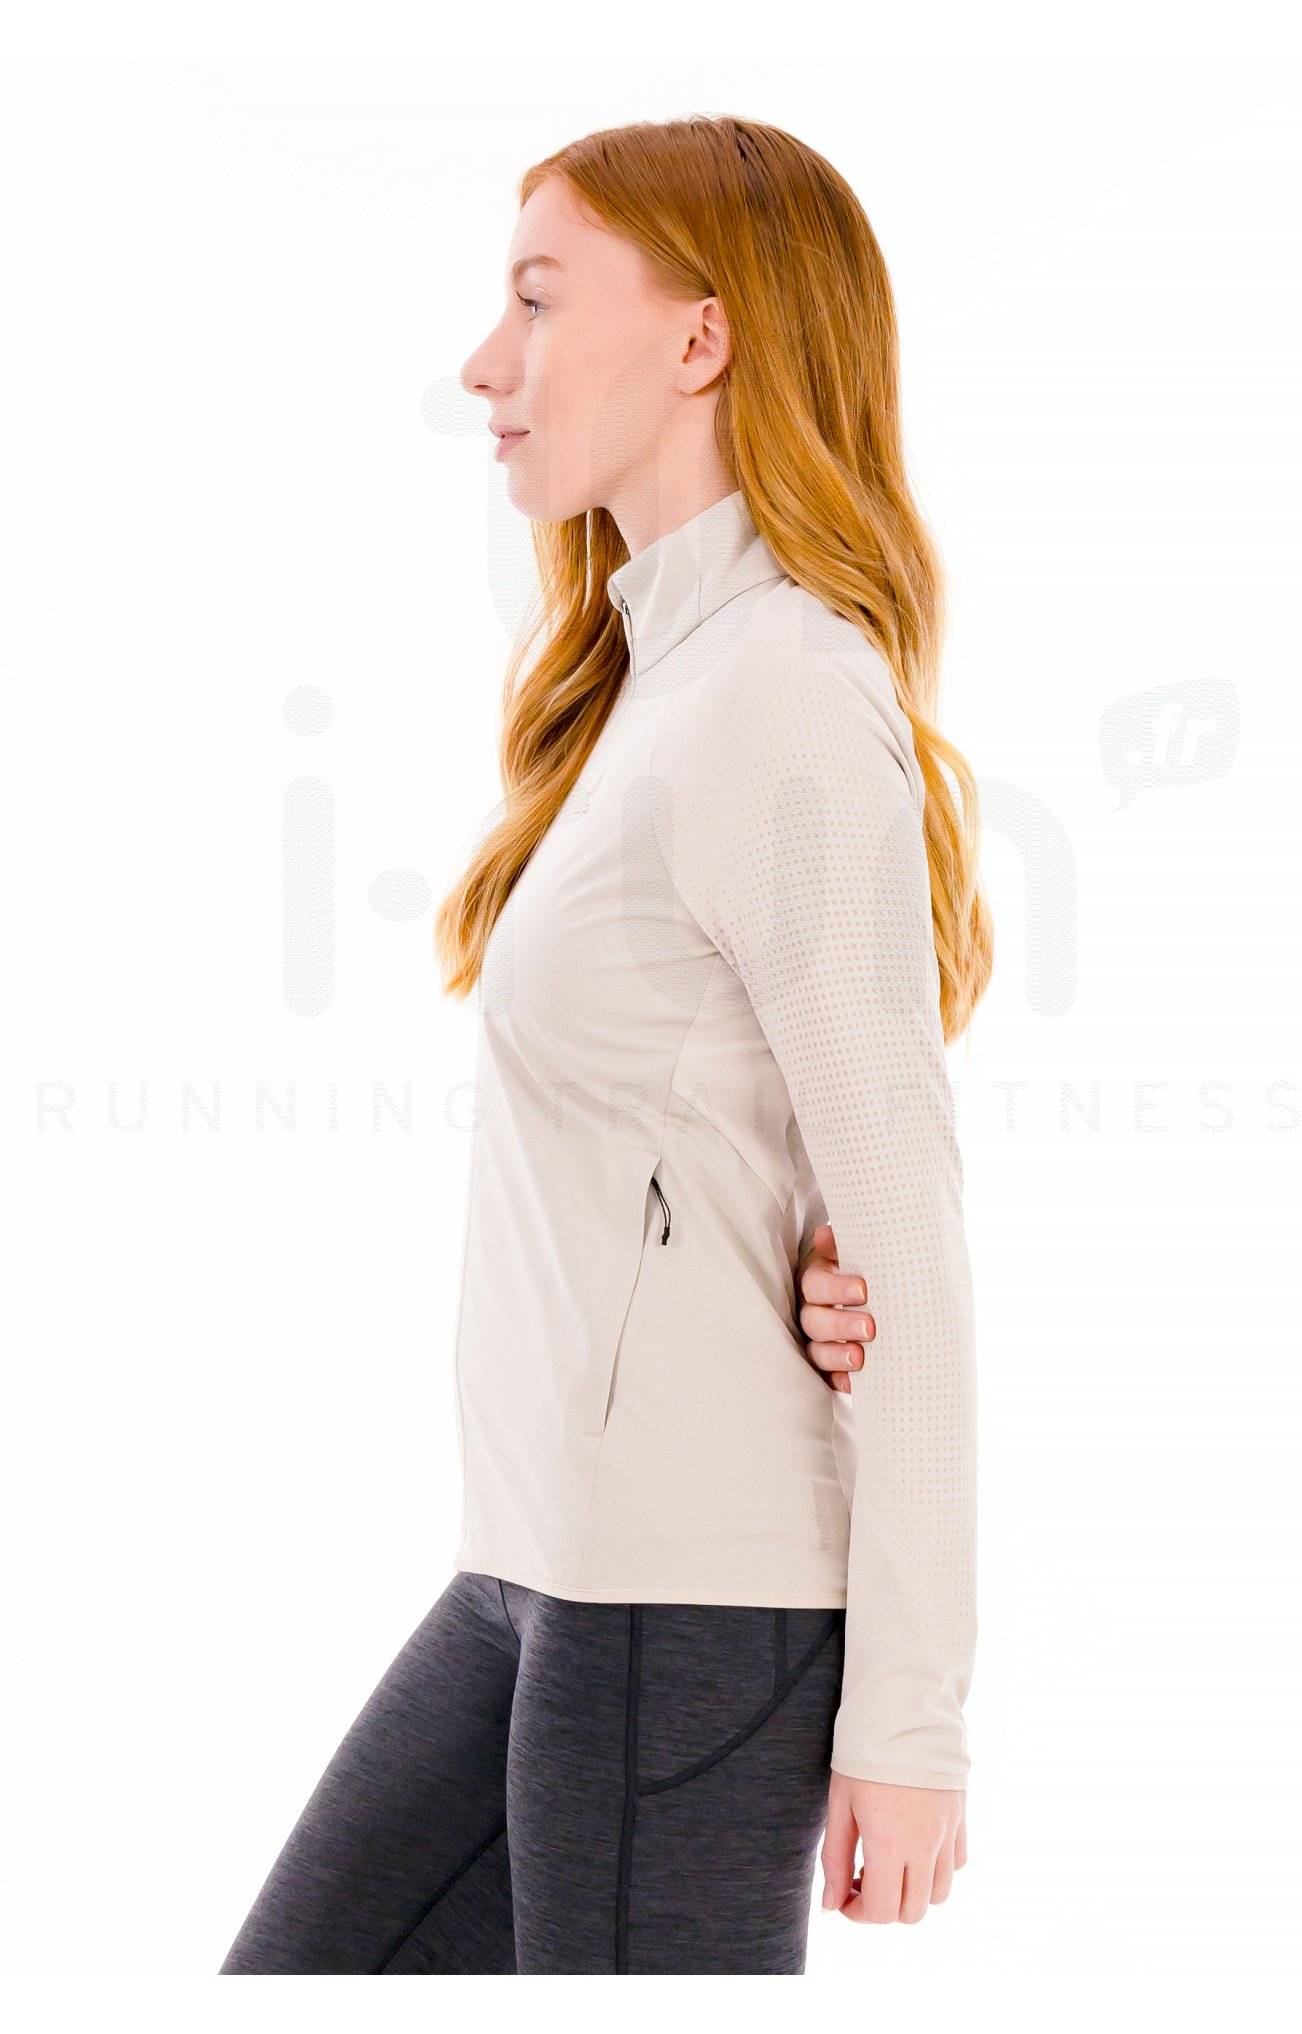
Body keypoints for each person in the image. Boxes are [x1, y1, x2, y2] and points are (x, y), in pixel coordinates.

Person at [219, 113, 992, 1977]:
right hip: (538, 1572)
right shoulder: (671, 678)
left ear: (702, 338)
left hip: (683, 1599)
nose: (484, 364)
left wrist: (909, 1721)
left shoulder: (781, 694)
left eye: (539, 299)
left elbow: (907, 1241)